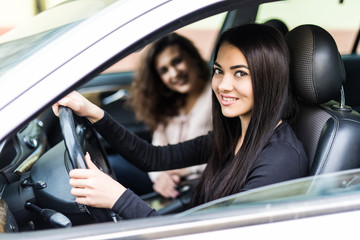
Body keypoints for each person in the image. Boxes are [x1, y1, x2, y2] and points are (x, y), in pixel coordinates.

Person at [52, 23, 309, 219]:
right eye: (218, 71)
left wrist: (119, 198)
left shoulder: (281, 160)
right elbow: (153, 158)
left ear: (270, 78)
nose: (223, 85)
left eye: (240, 73)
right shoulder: (235, 134)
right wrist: (92, 111)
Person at [109, 33, 212, 198]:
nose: (173, 74)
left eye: (177, 61)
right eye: (164, 70)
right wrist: (160, 177)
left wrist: (183, 170)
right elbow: (156, 149)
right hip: (165, 178)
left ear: (193, 57)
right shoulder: (169, 102)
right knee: (110, 164)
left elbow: (229, 152)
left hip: (200, 181)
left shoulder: (217, 96)